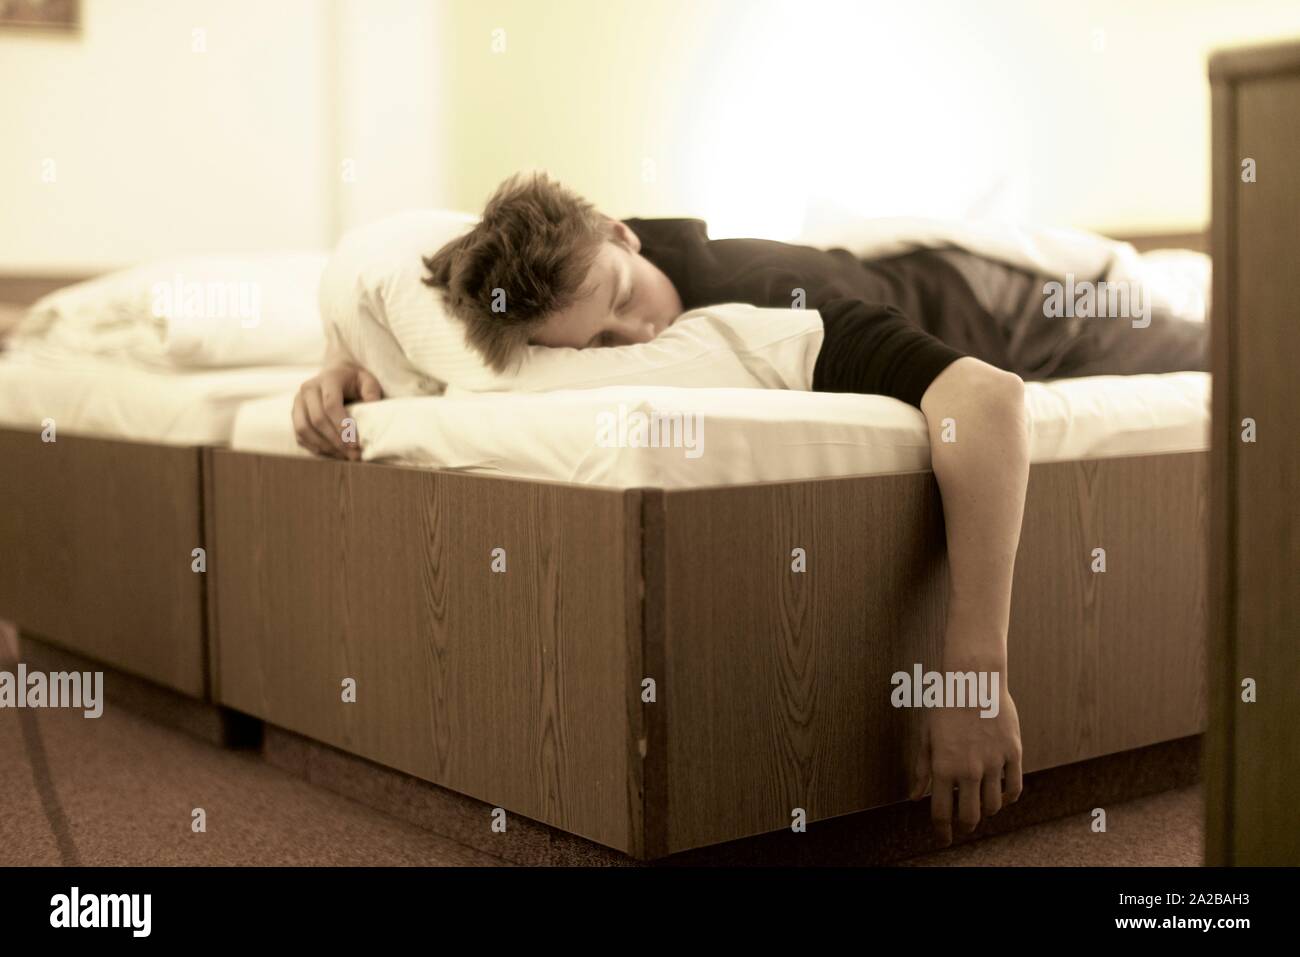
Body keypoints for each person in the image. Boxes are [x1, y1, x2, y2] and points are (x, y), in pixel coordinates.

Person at [292, 172, 1207, 845]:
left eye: (622, 302)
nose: (637, 336)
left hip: (1011, 306)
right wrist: (348, 368)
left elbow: (988, 400)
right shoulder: (573, 268)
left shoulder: (770, 298)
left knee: (1233, 329)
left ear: (625, 233)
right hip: (903, 274)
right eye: (598, 346)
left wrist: (971, 675)